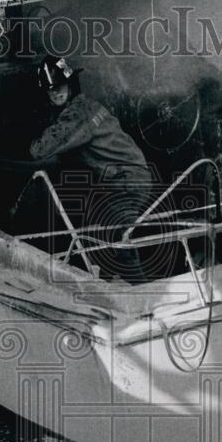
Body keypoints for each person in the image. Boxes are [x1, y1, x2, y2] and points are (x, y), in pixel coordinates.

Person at [28, 56, 153, 282]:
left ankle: (139, 291)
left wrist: (29, 141)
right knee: (95, 229)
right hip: (131, 175)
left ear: (71, 84)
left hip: (126, 181)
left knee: (114, 235)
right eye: (50, 91)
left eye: (59, 87)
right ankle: (109, 277)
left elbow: (41, 150)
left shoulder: (76, 114)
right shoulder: (90, 105)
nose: (55, 93)